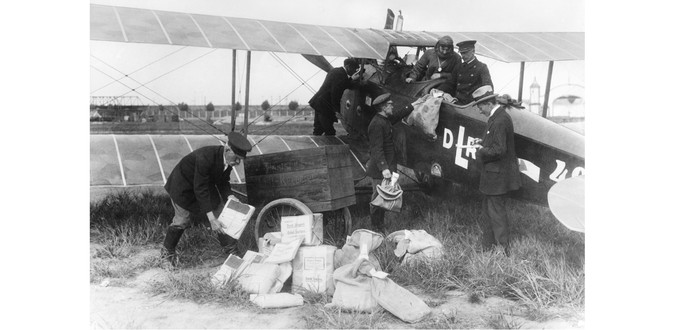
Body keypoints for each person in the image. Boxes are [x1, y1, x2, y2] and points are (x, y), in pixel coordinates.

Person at [160, 131, 253, 267]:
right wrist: (211, 219)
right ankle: (166, 255)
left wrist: (229, 196)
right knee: (182, 220)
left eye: (240, 159)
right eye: (237, 158)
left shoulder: (228, 160)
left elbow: (223, 181)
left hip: (201, 185)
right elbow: (200, 189)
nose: (238, 162)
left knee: (222, 215)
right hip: (183, 186)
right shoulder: (206, 157)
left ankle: (231, 252)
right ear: (227, 149)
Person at [470, 86, 521, 255]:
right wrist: (483, 141)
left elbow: (499, 150)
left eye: (479, 106)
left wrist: (481, 149)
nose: (478, 110)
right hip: (493, 176)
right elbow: (495, 142)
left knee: (496, 213)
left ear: (489, 104)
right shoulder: (497, 117)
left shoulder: (499, 120)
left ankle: (502, 248)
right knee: (489, 211)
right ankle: (489, 246)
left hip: (496, 177)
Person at [366, 93, 397, 233]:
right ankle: (375, 228)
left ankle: (380, 226)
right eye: (390, 104)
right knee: (377, 198)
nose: (392, 106)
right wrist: (384, 168)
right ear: (384, 107)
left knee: (383, 198)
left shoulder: (384, 120)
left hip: (386, 167)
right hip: (380, 169)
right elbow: (376, 148)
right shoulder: (377, 124)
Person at [309, 58, 361, 136]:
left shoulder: (337, 71)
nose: (355, 71)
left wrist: (351, 79)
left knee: (318, 130)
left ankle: (316, 146)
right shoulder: (340, 74)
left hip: (319, 104)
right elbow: (335, 93)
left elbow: (342, 84)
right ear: (348, 66)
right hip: (325, 107)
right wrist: (337, 110)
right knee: (330, 132)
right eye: (354, 69)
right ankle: (329, 148)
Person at [448, 40, 494, 105]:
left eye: (465, 53)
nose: (463, 56)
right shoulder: (459, 67)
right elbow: (450, 84)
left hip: (471, 104)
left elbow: (488, 87)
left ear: (473, 51)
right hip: (457, 102)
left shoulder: (481, 67)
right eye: (461, 53)